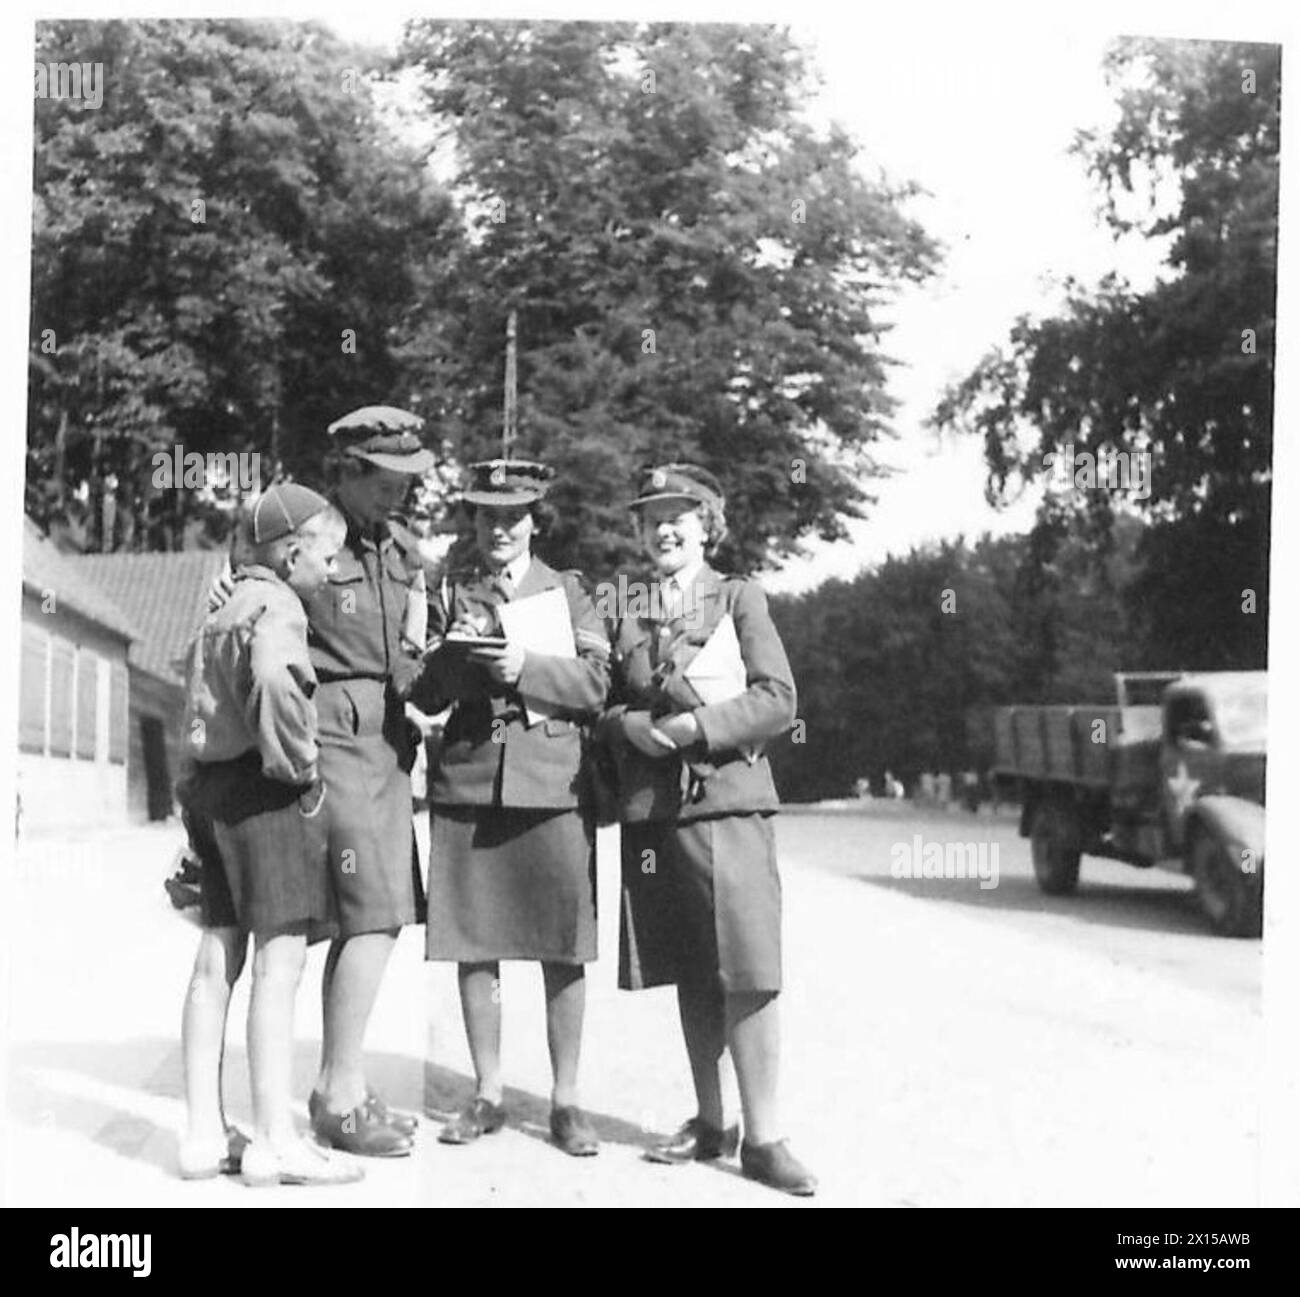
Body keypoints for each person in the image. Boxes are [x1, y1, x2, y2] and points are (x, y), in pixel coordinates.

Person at [598, 463, 816, 1196]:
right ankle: (710, 1118)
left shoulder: (738, 595)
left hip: (728, 801)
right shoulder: (624, 605)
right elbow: (600, 703)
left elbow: (778, 697)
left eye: (680, 513)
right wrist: (636, 725)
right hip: (658, 810)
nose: (664, 525)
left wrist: (700, 724)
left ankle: (765, 1135)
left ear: (707, 523)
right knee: (691, 961)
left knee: (748, 967)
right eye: (652, 513)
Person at [411, 459, 611, 1157]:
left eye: (514, 514)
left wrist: (523, 666)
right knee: (476, 942)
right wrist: (453, 658)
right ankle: (488, 1090)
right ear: (472, 519)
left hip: (552, 782)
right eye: (487, 514)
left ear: (535, 518)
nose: (500, 527)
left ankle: (567, 1099)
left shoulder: (569, 592)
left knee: (562, 943)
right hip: (470, 779)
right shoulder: (444, 584)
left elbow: (595, 686)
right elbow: (422, 688)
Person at [178, 484, 361, 1186]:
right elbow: (278, 679)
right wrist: (302, 766)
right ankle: (274, 1141)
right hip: (266, 792)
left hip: (213, 790)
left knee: (213, 960)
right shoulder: (281, 605)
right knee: (278, 966)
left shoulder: (223, 601)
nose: (332, 570)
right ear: (291, 555)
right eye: (326, 556)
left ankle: (201, 1133)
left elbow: (194, 697)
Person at [303, 407, 435, 1157]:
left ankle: (337, 1081)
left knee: (375, 914)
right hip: (332, 738)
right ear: (347, 472)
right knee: (372, 911)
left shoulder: (402, 549)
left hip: (388, 745)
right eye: (386, 482)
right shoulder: (309, 539)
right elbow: (262, 613)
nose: (400, 496)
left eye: (408, 483)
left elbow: (406, 654)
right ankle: (339, 1092)